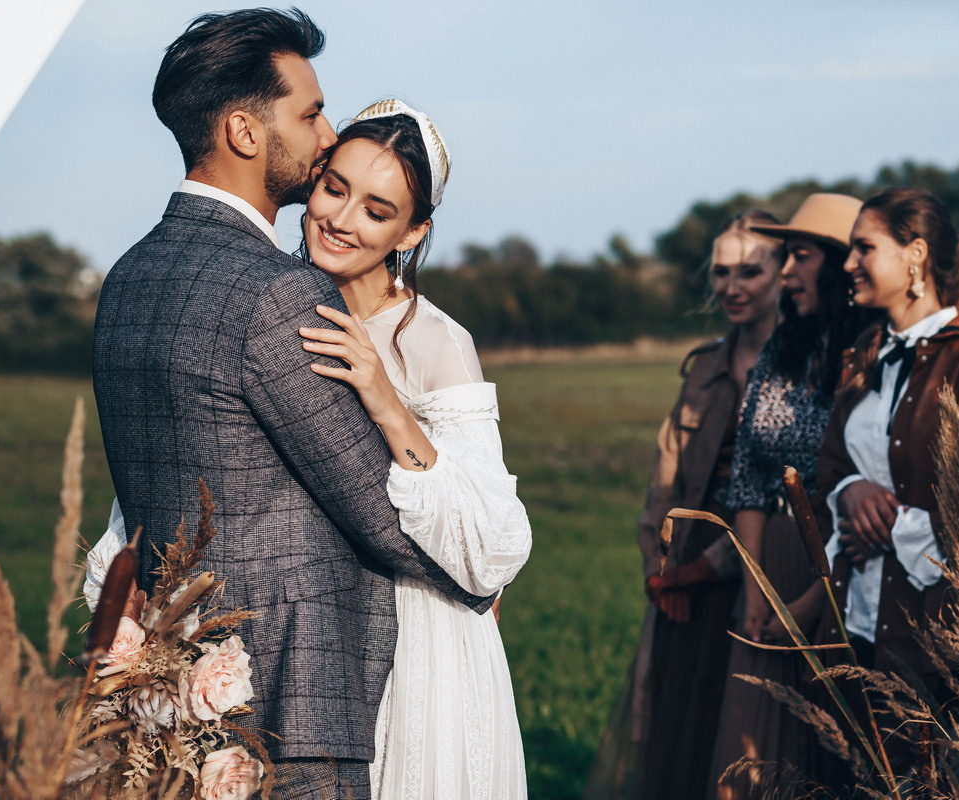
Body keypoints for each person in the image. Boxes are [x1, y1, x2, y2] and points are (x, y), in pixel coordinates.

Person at [90, 12, 494, 800]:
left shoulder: (126, 280)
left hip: (169, 702)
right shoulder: (276, 290)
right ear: (244, 130)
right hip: (286, 714)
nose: (324, 132)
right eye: (308, 113)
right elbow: (379, 511)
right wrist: (479, 570)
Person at [294, 99, 531, 799]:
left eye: (376, 208)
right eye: (333, 188)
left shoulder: (436, 340)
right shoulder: (280, 307)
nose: (339, 218)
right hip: (310, 625)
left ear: (412, 230)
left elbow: (490, 545)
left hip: (423, 641)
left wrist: (383, 395)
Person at [815, 187, 959, 774]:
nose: (848, 264)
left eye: (863, 248)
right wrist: (851, 493)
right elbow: (827, 464)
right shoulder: (865, 359)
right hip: (861, 618)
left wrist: (903, 527)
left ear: (914, 255)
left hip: (948, 628)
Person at [658, 194, 878, 799]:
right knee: (747, 757)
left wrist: (814, 595)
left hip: (838, 568)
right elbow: (750, 479)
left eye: (797, 257)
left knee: (834, 755)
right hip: (770, 563)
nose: (784, 273)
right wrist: (756, 591)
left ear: (834, 264)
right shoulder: (783, 350)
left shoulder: (872, 353)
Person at [582, 211, 785, 800]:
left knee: (742, 734)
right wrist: (661, 566)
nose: (732, 286)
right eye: (721, 272)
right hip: (681, 580)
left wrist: (708, 569)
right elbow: (664, 476)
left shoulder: (799, 371)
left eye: (750, 270)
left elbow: (781, 495)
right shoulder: (703, 368)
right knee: (677, 731)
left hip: (760, 572)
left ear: (782, 273)